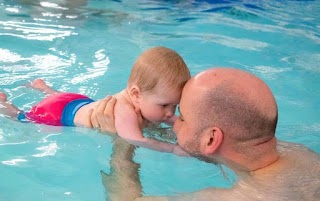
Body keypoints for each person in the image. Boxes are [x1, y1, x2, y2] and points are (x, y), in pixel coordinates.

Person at [94, 67, 320, 201]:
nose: (173, 123)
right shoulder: (302, 157)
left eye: (182, 117)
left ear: (211, 139)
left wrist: (122, 142)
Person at [0, 46, 191, 155]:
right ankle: (5, 104)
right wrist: (173, 149)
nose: (170, 112)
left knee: (55, 97)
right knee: (22, 117)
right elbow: (136, 139)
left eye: (175, 106)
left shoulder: (148, 101)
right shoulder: (125, 110)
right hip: (58, 113)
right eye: (165, 105)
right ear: (136, 94)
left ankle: (45, 89)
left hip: (77, 101)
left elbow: (172, 120)